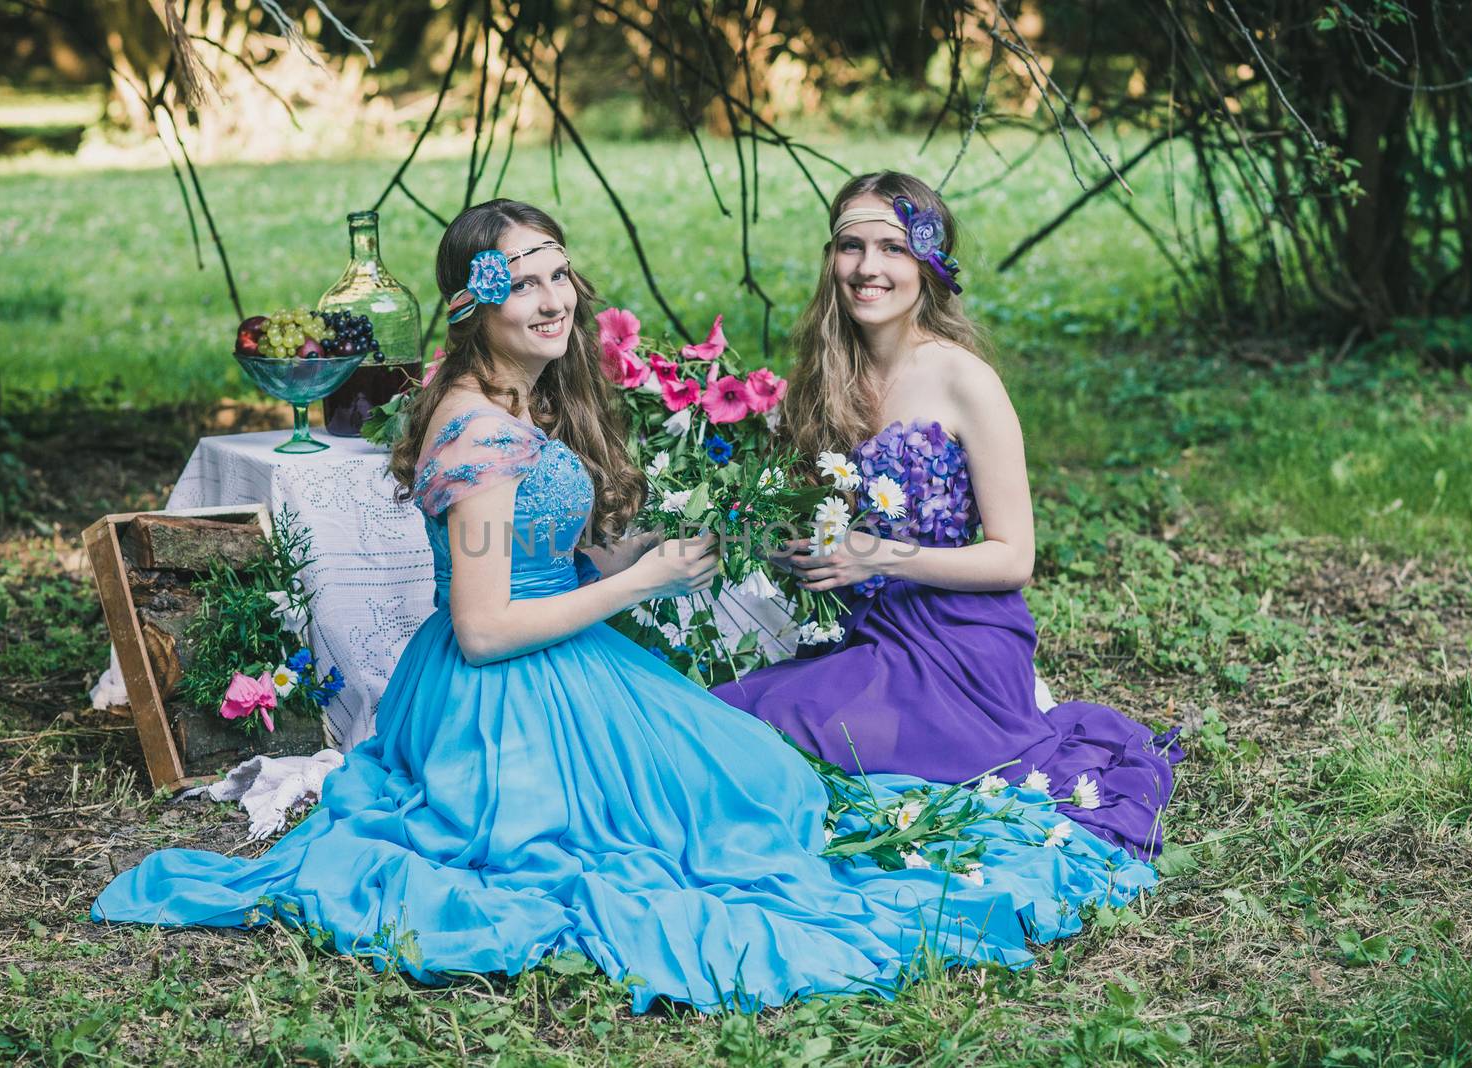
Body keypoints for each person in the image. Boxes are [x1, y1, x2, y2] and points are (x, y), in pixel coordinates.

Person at [92, 198, 1157, 1013]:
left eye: (563, 275)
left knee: (761, 782)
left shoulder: (509, 405)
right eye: (527, 284)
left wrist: (634, 548)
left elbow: (537, 556)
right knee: (707, 825)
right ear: (473, 305)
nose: (556, 299)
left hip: (567, 658)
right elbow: (482, 626)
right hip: (500, 692)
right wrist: (637, 581)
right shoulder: (478, 435)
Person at [711, 172, 1182, 860]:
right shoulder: (819, 382)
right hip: (862, 633)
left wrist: (878, 557)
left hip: (958, 644)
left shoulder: (965, 381)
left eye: (892, 248)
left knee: (762, 727)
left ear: (928, 264)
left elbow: (1013, 556)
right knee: (724, 715)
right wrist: (792, 544)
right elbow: (819, 523)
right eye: (850, 247)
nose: (868, 267)